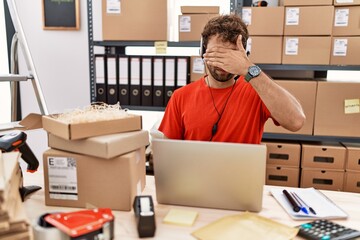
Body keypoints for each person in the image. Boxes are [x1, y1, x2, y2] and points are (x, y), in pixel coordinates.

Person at [158, 14, 305, 144]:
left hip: (242, 175)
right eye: (217, 53)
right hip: (195, 175)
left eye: (231, 56)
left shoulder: (258, 90)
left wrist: (249, 69)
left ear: (244, 55)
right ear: (202, 51)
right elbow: (169, 156)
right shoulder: (181, 97)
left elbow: (296, 122)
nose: (224, 63)